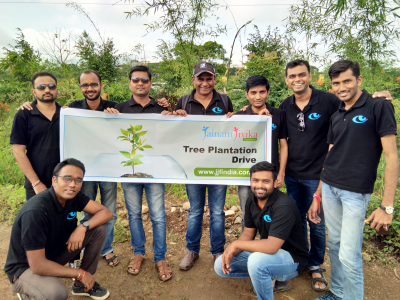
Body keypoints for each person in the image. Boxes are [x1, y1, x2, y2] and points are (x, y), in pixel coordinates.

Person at [309, 60, 398, 300]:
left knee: (349, 254)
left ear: (358, 80)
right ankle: (338, 293)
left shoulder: (378, 106)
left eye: (347, 81)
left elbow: (391, 157)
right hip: (329, 187)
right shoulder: (337, 113)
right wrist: (317, 194)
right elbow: (329, 154)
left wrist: (386, 206)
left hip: (355, 192)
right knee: (335, 246)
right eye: (336, 83)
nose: (341, 87)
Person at [4, 158, 113, 300]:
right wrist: (80, 273)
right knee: (56, 292)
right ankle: (27, 290)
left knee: (98, 230)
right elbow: (37, 265)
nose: (72, 184)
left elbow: (106, 213)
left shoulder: (73, 197)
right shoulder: (36, 211)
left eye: (78, 180)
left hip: (53, 255)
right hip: (26, 268)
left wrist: (83, 226)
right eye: (67, 178)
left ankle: (81, 286)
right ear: (54, 180)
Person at [104, 65, 172, 281]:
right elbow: (108, 135)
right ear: (130, 83)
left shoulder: (161, 109)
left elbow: (173, 133)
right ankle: (139, 253)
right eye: (136, 80)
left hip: (155, 171)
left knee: (158, 216)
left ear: (150, 83)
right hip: (129, 171)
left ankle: (160, 257)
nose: (140, 83)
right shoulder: (119, 108)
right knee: (134, 214)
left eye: (144, 80)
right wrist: (108, 116)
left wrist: (173, 115)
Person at [214, 161, 308, 300]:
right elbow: (248, 232)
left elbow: (271, 246)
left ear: (275, 182)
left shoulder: (284, 206)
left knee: (256, 262)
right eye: (255, 180)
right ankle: (266, 277)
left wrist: (235, 244)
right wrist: (233, 250)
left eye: (266, 181)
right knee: (220, 264)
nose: (260, 186)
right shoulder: (252, 200)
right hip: (267, 254)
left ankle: (269, 280)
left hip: (292, 260)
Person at [173, 62, 234, 270]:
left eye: (209, 78)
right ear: (194, 80)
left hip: (218, 168)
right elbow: (172, 133)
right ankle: (192, 250)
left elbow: (234, 131)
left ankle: (218, 252)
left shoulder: (224, 100)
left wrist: (233, 119)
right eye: (201, 78)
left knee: (217, 212)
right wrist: (173, 117)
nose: (205, 83)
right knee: (196, 211)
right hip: (193, 168)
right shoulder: (183, 102)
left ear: (214, 80)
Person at [234, 75, 288, 232]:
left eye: (262, 92)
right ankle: (246, 250)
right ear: (247, 94)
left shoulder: (279, 114)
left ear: (268, 92)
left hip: (271, 175)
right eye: (253, 92)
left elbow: (283, 146)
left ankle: (268, 248)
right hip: (246, 175)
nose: (258, 97)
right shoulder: (240, 116)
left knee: (271, 214)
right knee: (247, 214)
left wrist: (281, 174)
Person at [10, 71, 61, 200]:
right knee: (38, 219)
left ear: (56, 89)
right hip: (37, 184)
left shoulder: (66, 114)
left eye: (51, 86)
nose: (47, 90)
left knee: (65, 220)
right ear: (34, 91)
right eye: (41, 87)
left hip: (64, 182)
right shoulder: (24, 115)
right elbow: (18, 152)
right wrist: (36, 183)